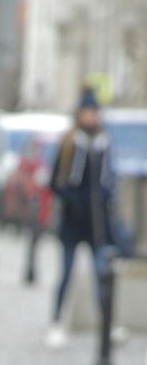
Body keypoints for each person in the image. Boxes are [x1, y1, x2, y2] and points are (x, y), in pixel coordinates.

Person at [44, 87, 121, 348]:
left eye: (94, 113)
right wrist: (71, 200)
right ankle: (56, 321)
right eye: (87, 112)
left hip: (97, 224)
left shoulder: (103, 144)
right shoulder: (70, 142)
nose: (91, 117)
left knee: (102, 275)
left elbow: (110, 182)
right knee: (66, 273)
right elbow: (55, 181)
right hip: (72, 222)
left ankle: (106, 325)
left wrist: (107, 204)